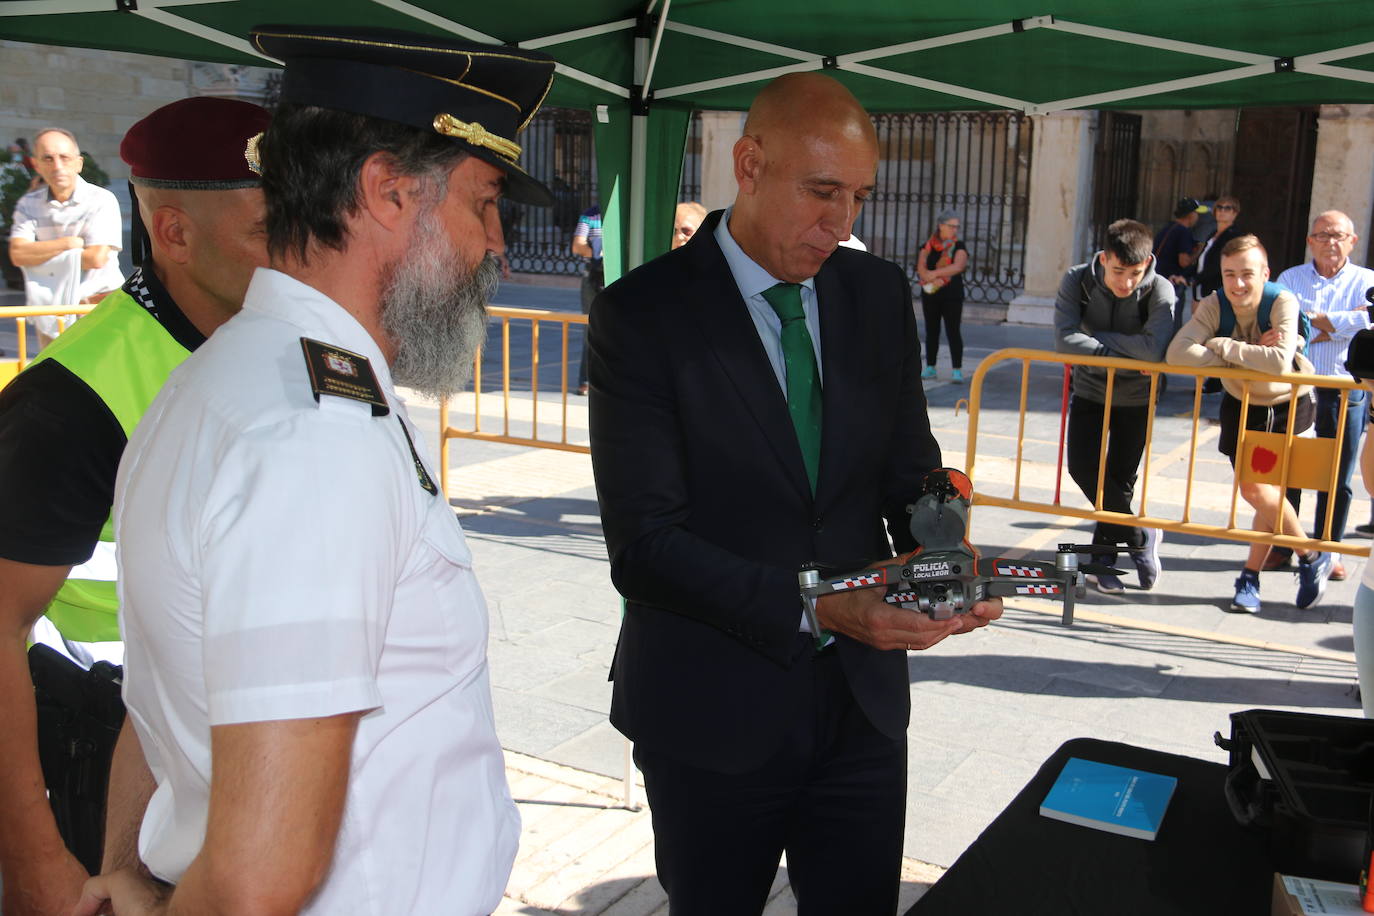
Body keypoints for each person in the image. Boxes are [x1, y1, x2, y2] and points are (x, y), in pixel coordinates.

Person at [74, 26, 556, 916]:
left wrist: (133, 869)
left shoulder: (228, 383)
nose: (497, 246)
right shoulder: (310, 437)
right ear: (385, 190)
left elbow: (164, 703)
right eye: (484, 203)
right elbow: (261, 880)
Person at [587, 72, 1002, 914]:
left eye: (857, 196)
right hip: (712, 710)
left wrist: (943, 537)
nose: (840, 222)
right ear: (748, 164)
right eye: (820, 191)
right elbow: (645, 548)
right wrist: (822, 604)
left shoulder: (876, 294)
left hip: (861, 707)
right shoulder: (643, 314)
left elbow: (907, 469)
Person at [0, 96, 270, 916]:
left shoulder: (272, 347)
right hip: (100, 764)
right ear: (175, 234)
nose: (299, 252)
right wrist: (38, 861)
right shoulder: (73, 398)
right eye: (269, 230)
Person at [1167, 234, 1332, 614]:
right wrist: (1252, 352)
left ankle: (1251, 577)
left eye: (1246, 274)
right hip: (1242, 405)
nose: (1237, 283)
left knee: (1261, 492)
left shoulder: (1282, 301)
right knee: (1263, 494)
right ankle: (1309, 556)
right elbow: (1178, 353)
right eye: (1229, 274)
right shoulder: (1215, 303)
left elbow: (1278, 362)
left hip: (1290, 405)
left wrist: (1222, 345)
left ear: (1265, 273)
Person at [1054, 218, 1175, 593]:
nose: (1126, 282)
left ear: (1148, 262)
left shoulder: (1162, 290)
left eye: (1135, 273)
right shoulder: (1077, 280)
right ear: (1104, 258)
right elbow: (1064, 341)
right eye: (1119, 271)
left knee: (1120, 479)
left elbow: (1153, 350)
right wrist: (1120, 349)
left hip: (1137, 397)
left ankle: (1102, 559)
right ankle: (1139, 537)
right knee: (1083, 469)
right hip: (1089, 390)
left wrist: (1096, 340)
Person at [1262, 211, 1374, 580]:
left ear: (1352, 241)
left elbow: (1369, 325)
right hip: (1297, 389)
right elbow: (1283, 329)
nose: (1330, 242)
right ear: (1310, 240)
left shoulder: (1367, 280)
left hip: (1347, 390)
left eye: (1338, 235)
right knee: (1289, 470)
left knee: (1337, 476)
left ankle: (1330, 549)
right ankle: (1285, 545)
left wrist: (1313, 323)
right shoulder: (1290, 278)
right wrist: (1343, 322)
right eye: (1322, 235)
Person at [8, 128, 124, 349]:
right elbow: (18, 254)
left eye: (65, 158)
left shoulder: (101, 200)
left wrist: (39, 252)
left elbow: (96, 258)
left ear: (78, 163)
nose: (57, 166)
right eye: (48, 159)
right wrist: (69, 243)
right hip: (50, 312)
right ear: (36, 164)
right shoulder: (28, 204)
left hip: (96, 309)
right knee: (52, 382)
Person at [917, 209, 969, 382]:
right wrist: (930, 276)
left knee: (953, 331)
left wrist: (935, 274)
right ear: (941, 226)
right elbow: (921, 268)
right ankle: (930, 367)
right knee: (931, 330)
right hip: (931, 294)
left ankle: (957, 370)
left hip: (952, 294)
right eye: (951, 226)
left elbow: (958, 266)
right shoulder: (928, 246)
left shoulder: (958, 246)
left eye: (957, 227)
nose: (955, 230)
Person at [1154, 197, 1208, 332]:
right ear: (1190, 215)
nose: (1198, 217)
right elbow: (1183, 261)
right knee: (1172, 325)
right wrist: (1199, 252)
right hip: (1173, 283)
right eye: (1196, 213)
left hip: (1159, 278)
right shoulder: (1183, 232)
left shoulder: (1168, 227)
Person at [572, 202, 602, 395]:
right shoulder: (590, 215)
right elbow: (577, 245)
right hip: (594, 277)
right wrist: (600, 250)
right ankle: (585, 380)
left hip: (619, 276)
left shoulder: (629, 211)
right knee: (591, 329)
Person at [1194, 195, 1243, 299]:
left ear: (1235, 213)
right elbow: (1202, 259)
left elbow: (1219, 265)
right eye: (1219, 207)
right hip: (1202, 289)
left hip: (1219, 290)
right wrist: (1185, 275)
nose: (1222, 211)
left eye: (1227, 208)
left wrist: (1196, 279)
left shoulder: (1233, 236)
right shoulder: (1212, 234)